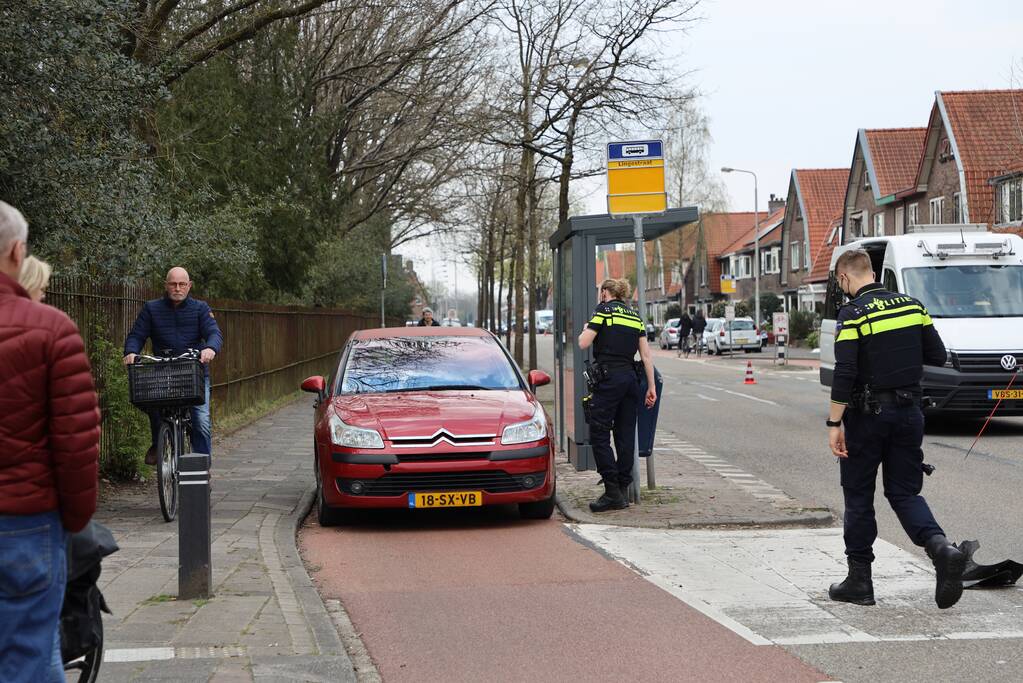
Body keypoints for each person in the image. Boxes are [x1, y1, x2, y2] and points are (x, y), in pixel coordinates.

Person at [826, 249, 964, 609]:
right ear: (872, 272)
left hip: (866, 416)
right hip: (909, 413)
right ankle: (941, 549)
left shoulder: (852, 313)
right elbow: (936, 356)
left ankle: (860, 582)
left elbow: (844, 374)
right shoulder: (912, 305)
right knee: (904, 493)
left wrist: (834, 422)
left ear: (844, 279)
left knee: (858, 496)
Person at [0, 201, 101, 681]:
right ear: (17, 251)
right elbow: (75, 443)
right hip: (26, 524)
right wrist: (75, 519)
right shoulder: (51, 330)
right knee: (29, 659)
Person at [123, 267, 223, 464]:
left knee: (200, 421)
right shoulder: (152, 309)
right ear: (166, 285)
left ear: (189, 286)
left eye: (182, 284)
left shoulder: (200, 309)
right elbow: (137, 335)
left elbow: (214, 333)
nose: (177, 288)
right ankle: (159, 441)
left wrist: (210, 348)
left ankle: (202, 470)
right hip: (164, 372)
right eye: (173, 284)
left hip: (194, 373)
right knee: (150, 400)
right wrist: (131, 352)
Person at [577, 278, 657, 512]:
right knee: (624, 434)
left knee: (599, 431)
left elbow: (583, 343)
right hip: (631, 380)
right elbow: (646, 356)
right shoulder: (635, 317)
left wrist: (586, 328)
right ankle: (622, 488)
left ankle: (612, 490)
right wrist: (650, 387)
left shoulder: (603, 311)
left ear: (605, 293)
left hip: (609, 379)